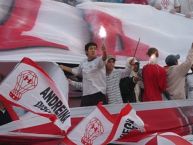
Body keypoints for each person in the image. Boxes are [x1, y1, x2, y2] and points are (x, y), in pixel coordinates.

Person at [60, 42, 107, 107]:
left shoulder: (99, 60)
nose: (93, 50)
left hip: (98, 94)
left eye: (95, 49)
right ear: (86, 52)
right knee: (84, 115)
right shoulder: (83, 62)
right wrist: (63, 67)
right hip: (86, 95)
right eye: (91, 49)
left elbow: (104, 58)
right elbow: (77, 72)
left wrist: (104, 51)